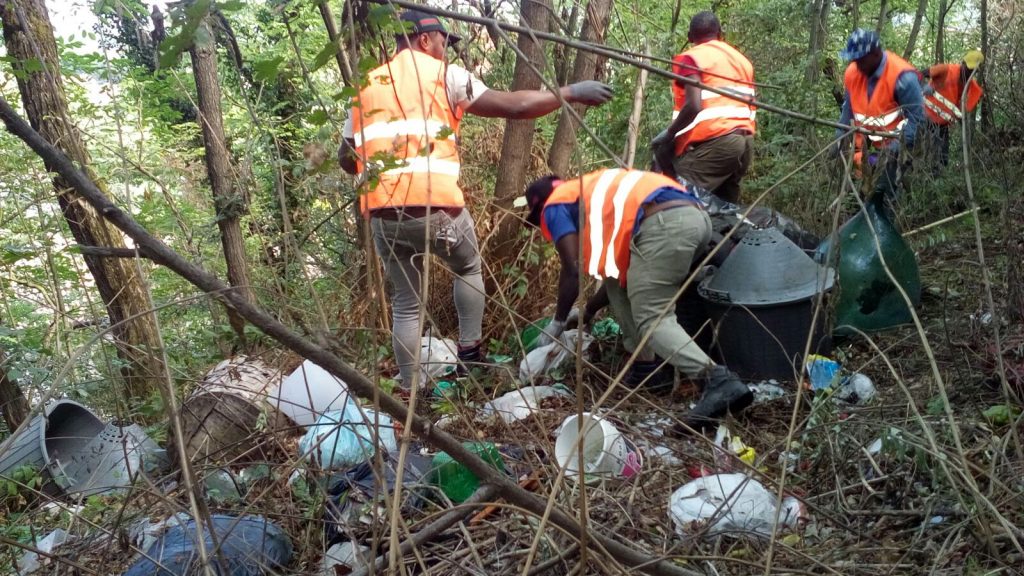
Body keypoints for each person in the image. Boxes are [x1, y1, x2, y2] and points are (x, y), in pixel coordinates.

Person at [338, 10, 612, 390]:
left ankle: (410, 386)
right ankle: (470, 355)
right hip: (437, 207)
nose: (445, 52)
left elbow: (346, 159)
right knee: (467, 266)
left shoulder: (365, 84)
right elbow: (514, 106)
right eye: (442, 44)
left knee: (405, 301)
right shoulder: (443, 76)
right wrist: (569, 92)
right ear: (422, 40)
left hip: (384, 215)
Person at [523, 168, 753, 432]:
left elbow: (572, 270)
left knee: (653, 318)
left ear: (541, 206)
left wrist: (558, 321)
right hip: (693, 218)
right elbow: (614, 278)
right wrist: (588, 311)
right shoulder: (591, 195)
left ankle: (717, 381)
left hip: (663, 225)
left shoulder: (555, 203)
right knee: (619, 285)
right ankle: (650, 371)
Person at [650, 11, 757, 205]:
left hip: (718, 145)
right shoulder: (742, 61)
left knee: (672, 201)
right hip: (744, 145)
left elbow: (694, 106)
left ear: (690, 37)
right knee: (724, 213)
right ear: (720, 32)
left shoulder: (692, 58)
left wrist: (669, 133)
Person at [834, 29, 924, 200]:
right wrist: (839, 138)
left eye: (860, 59)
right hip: (863, 152)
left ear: (875, 53)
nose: (855, 63)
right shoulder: (853, 72)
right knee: (860, 198)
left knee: (885, 200)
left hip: (892, 152)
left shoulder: (903, 78)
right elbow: (848, 110)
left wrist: (889, 153)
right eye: (854, 59)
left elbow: (916, 121)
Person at [921, 50, 984, 170]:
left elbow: (962, 110)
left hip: (942, 125)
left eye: (973, 71)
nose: (969, 72)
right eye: (968, 68)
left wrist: (963, 126)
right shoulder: (946, 70)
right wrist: (924, 85)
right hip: (923, 117)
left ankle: (936, 183)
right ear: (963, 63)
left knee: (942, 159)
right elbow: (917, 74)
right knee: (916, 151)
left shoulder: (970, 87)